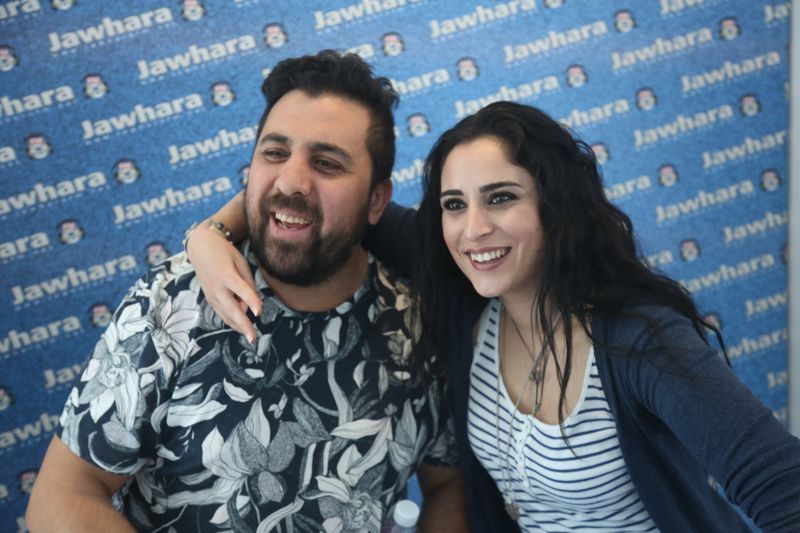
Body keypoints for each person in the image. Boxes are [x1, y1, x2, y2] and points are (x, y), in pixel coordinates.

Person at [187, 101, 800, 532]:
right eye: (454, 204)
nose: (474, 229)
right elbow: (318, 200)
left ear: (556, 207)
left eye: (501, 198)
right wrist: (210, 235)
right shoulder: (461, 291)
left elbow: (783, 485)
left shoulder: (640, 338)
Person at [25, 50, 467, 533]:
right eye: (274, 153)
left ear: (377, 199)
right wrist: (209, 233)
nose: (291, 181)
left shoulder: (416, 326)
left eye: (326, 163)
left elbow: (448, 482)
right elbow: (63, 495)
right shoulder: (176, 302)